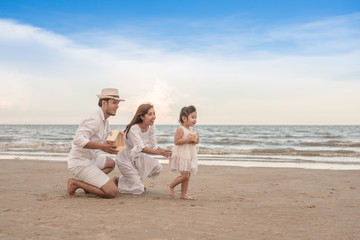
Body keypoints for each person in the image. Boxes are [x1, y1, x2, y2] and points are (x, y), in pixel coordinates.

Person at [66, 88, 125, 198]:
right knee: (112, 192)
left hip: (92, 159)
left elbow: (102, 142)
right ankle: (75, 183)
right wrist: (102, 146)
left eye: (118, 103)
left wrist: (113, 146)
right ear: (104, 103)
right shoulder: (94, 119)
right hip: (80, 163)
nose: (117, 106)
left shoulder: (105, 121)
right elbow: (78, 140)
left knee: (111, 163)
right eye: (114, 102)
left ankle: (90, 185)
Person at [114, 103, 172, 194]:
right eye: (150, 114)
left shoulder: (152, 127)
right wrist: (160, 152)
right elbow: (141, 148)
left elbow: (153, 146)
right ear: (142, 116)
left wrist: (164, 151)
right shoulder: (134, 129)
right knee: (138, 189)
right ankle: (118, 181)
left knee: (156, 167)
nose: (153, 117)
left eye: (154, 113)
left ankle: (127, 180)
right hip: (125, 158)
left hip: (137, 157)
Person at [167, 105, 199, 200]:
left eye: (195, 118)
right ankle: (171, 186)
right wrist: (187, 139)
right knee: (184, 175)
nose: (194, 120)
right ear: (184, 118)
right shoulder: (181, 129)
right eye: (192, 117)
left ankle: (183, 194)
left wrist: (195, 140)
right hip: (181, 154)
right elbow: (176, 141)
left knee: (187, 175)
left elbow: (191, 143)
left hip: (188, 154)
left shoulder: (191, 130)